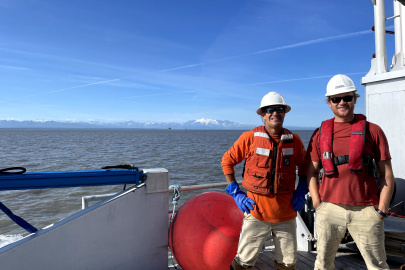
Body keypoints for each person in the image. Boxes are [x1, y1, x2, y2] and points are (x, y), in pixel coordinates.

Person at [306, 74, 395, 270]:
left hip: (366, 211)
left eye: (347, 97)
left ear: (355, 99)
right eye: (336, 99)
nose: (342, 102)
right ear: (329, 102)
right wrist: (317, 205)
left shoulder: (373, 131)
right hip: (328, 210)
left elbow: (387, 175)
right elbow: (311, 173)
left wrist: (380, 210)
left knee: (377, 265)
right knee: (322, 264)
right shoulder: (319, 134)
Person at [221, 92, 308, 270]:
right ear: (263, 114)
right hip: (256, 212)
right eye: (270, 110)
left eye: (280, 109)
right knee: (243, 263)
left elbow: (306, 168)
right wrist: (235, 191)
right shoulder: (249, 138)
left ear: (284, 113)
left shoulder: (295, 141)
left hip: (287, 214)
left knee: (287, 263)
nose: (275, 113)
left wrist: (302, 190)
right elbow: (227, 162)